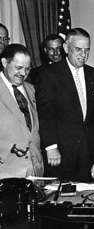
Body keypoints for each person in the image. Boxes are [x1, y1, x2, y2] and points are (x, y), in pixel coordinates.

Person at [34, 28, 94, 182]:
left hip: (88, 151)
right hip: (60, 151)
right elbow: (44, 113)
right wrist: (51, 147)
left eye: (87, 50)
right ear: (66, 48)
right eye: (78, 49)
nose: (83, 55)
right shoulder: (48, 74)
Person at [0, 44, 43, 178]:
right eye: (18, 68)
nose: (23, 74)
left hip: (34, 170)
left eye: (27, 69)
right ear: (4, 62)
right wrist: (9, 146)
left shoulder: (31, 89)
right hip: (6, 172)